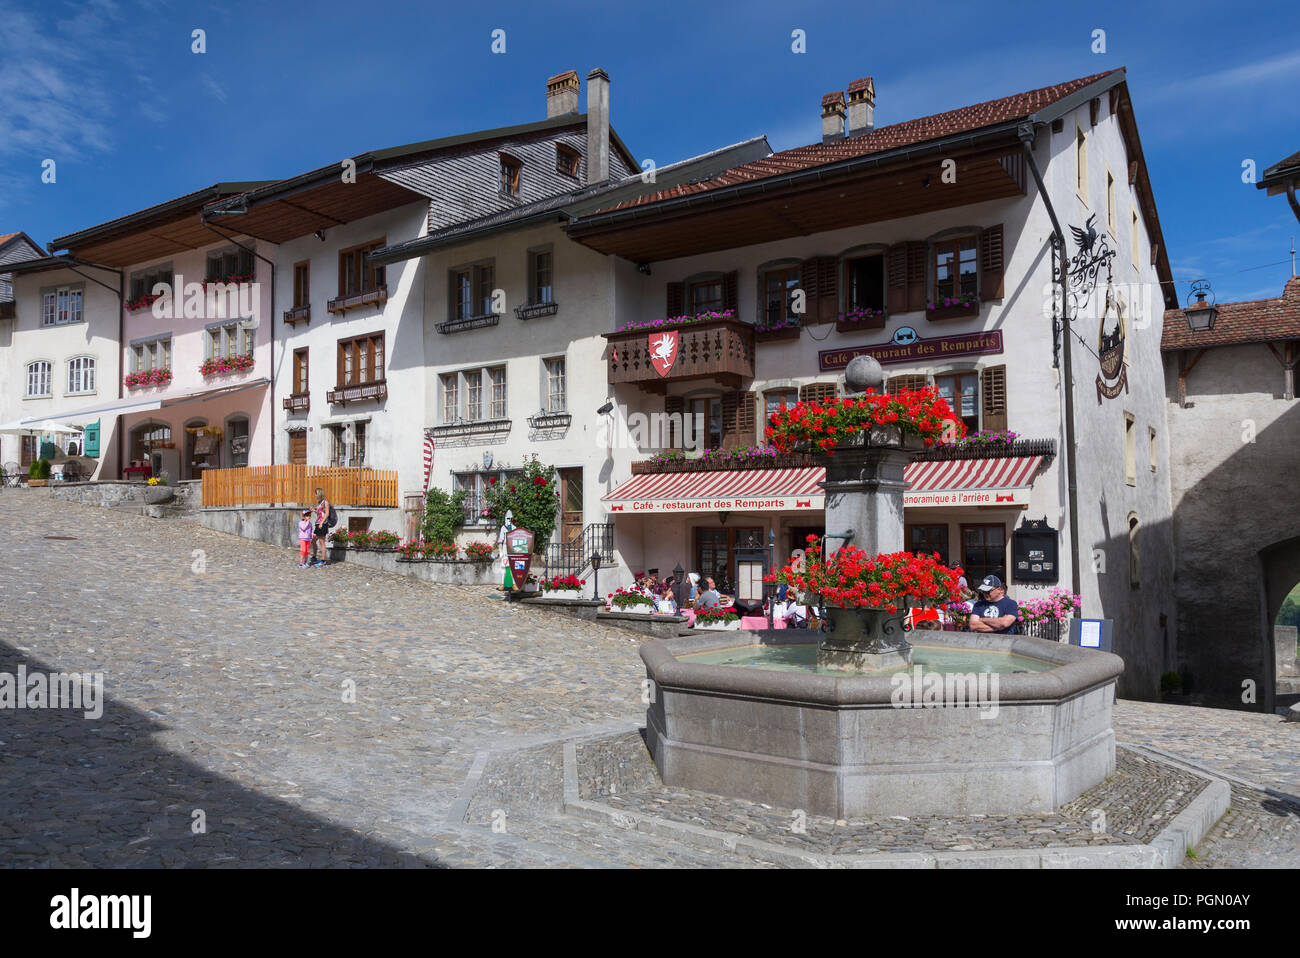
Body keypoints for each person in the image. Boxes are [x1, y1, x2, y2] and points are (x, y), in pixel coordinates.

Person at [312, 488, 332, 567]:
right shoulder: (319, 503)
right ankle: (314, 557)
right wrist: (314, 510)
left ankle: (323, 561)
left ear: (319, 493)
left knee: (321, 542)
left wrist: (322, 522)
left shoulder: (325, 502)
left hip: (322, 524)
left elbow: (327, 513)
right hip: (318, 523)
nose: (315, 495)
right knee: (313, 540)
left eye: (316, 493)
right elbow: (320, 513)